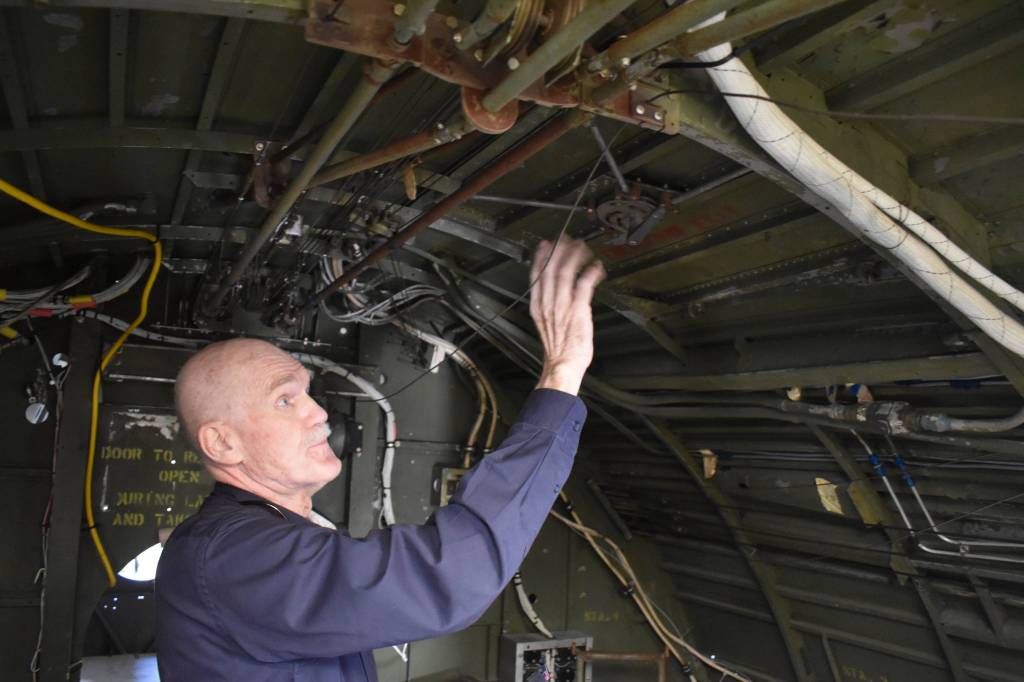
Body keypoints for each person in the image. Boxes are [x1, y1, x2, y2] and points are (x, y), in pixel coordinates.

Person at [156, 238, 605, 681]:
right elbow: (446, 578)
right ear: (222, 444)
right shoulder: (235, 556)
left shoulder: (239, 540)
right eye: (284, 401)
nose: (318, 413)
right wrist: (562, 372)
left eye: (308, 394)